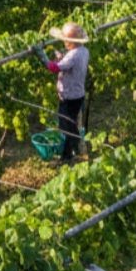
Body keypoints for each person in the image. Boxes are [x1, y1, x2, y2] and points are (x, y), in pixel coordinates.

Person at [43, 22, 90, 165]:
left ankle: (77, 147)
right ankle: (68, 154)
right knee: (70, 124)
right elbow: (69, 63)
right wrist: (62, 57)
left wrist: (42, 56)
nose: (64, 42)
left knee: (66, 126)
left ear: (71, 42)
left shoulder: (72, 56)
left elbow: (53, 68)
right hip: (78, 95)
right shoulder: (84, 51)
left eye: (66, 40)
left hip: (69, 98)